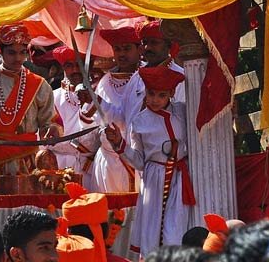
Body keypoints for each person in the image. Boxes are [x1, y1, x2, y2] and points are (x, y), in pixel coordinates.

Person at [106, 66, 195, 258]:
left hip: (180, 179)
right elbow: (138, 161)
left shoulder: (183, 111)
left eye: (161, 95)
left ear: (171, 94)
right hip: (154, 182)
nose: (155, 100)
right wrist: (119, 144)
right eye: (151, 94)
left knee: (175, 231)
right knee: (153, 233)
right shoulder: (139, 122)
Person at [0, 24, 56, 174]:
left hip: (29, 162)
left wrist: (52, 129)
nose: (18, 58)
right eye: (12, 53)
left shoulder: (40, 85)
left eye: (22, 53)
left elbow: (48, 124)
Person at [97, 20, 185, 140]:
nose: (148, 47)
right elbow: (123, 118)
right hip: (135, 154)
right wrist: (97, 101)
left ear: (169, 45)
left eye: (154, 42)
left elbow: (181, 123)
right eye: (145, 42)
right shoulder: (137, 77)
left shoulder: (180, 77)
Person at [89, 26, 141, 193]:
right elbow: (93, 126)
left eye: (127, 48)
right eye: (117, 49)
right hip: (107, 161)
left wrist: (99, 103)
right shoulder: (104, 82)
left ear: (139, 49)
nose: (121, 54)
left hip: (134, 159)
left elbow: (127, 122)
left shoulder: (145, 78)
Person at [48, 46, 99, 183]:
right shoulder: (52, 97)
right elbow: (44, 142)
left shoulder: (100, 95)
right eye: (69, 65)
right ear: (63, 67)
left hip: (92, 171)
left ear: (89, 65)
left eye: (79, 64)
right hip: (60, 171)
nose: (75, 70)